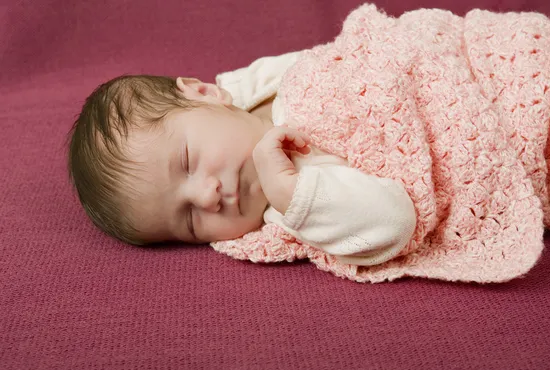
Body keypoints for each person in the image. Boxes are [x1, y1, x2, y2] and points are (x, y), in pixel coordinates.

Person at [67, 52, 417, 266]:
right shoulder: (290, 212)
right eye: (190, 221)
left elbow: (344, 55)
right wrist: (298, 199)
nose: (207, 198)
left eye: (188, 162)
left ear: (204, 93)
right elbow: (396, 222)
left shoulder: (256, 83)